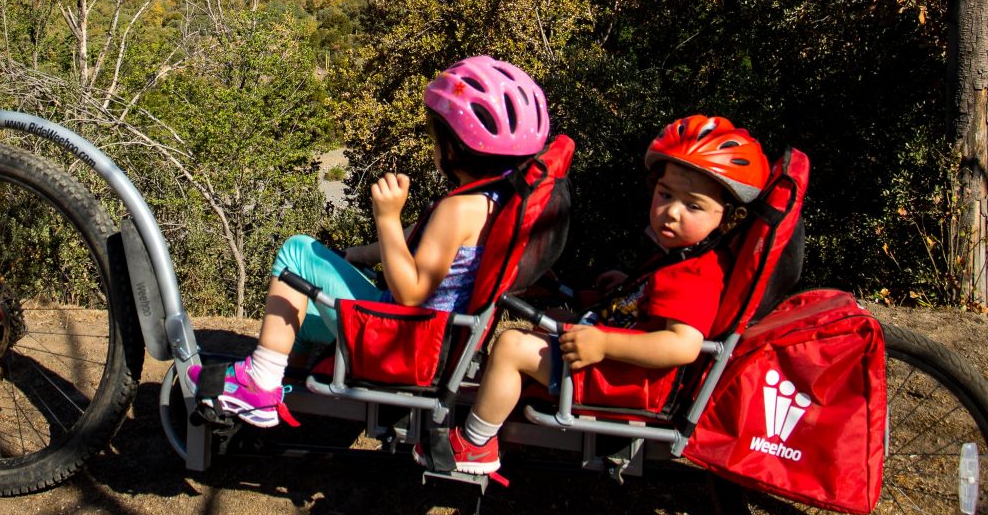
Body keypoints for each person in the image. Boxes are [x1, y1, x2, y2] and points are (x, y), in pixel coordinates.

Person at [200, 56, 552, 427]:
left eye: (436, 138)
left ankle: (260, 385)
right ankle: (292, 384)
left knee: (297, 252)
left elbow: (411, 293)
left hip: (405, 342)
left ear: (454, 148)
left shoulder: (457, 211)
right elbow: (417, 244)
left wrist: (386, 217)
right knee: (301, 311)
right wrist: (351, 256)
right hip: (432, 338)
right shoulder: (496, 202)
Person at [432, 114, 769, 474]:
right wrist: (623, 288)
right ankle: (497, 404)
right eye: (665, 194)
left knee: (512, 346)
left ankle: (475, 445)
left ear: (730, 218)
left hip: (624, 380)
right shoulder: (679, 259)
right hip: (621, 368)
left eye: (693, 205)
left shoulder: (693, 274)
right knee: (553, 323)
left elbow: (682, 345)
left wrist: (603, 344)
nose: (671, 212)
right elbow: (656, 307)